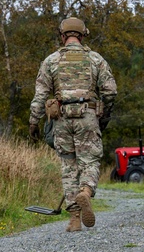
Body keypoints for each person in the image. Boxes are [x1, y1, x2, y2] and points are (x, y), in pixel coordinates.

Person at [29, 17, 117, 232]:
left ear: (62, 35)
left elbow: (40, 96)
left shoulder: (51, 61)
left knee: (69, 167)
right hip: (87, 116)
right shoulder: (96, 59)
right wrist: (103, 117)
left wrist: (33, 122)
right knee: (89, 162)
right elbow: (110, 91)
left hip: (61, 118)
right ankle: (85, 192)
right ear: (82, 34)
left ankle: (74, 220)